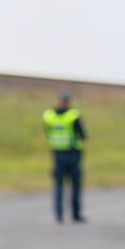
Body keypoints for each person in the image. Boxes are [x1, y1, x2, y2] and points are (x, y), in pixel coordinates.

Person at [42, 92, 87, 223]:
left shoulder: (49, 116)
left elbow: (47, 132)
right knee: (75, 186)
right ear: (69, 102)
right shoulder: (73, 115)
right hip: (72, 154)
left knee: (58, 185)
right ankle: (76, 215)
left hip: (57, 154)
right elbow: (83, 134)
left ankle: (59, 215)